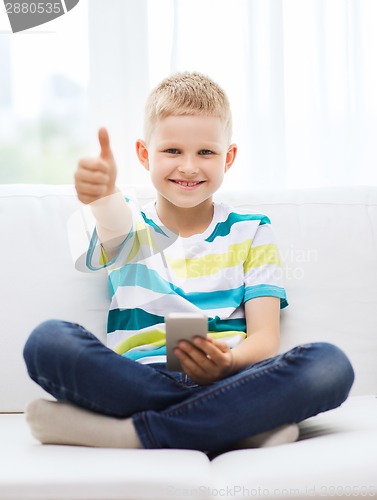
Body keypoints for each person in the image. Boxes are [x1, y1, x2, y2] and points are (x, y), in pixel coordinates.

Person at [23, 72, 354, 452]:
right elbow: (113, 226)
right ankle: (235, 426)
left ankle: (132, 434)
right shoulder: (131, 225)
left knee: (330, 365)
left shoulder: (252, 230)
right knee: (47, 341)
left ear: (227, 158)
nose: (189, 167)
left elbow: (265, 338)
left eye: (206, 153)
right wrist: (103, 196)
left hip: (229, 379)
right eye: (173, 151)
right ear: (145, 154)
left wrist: (227, 364)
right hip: (138, 380)